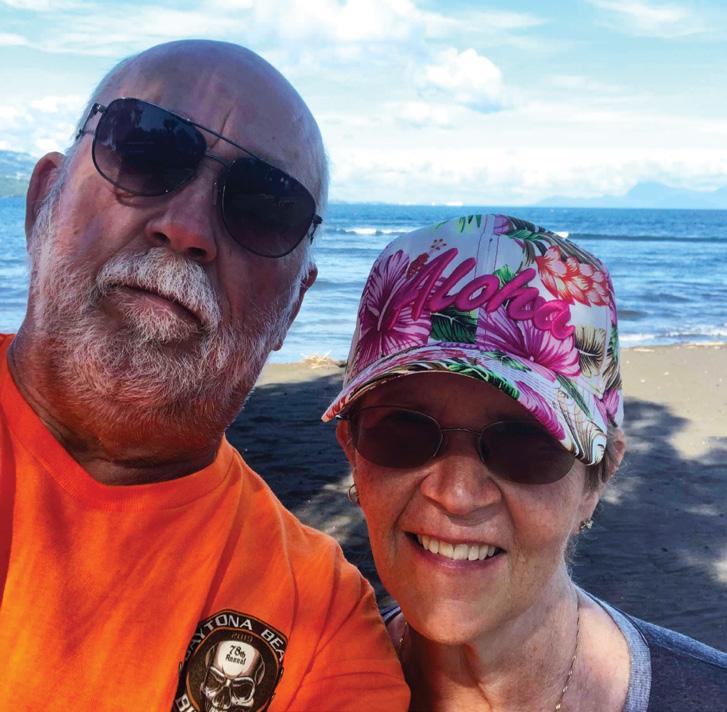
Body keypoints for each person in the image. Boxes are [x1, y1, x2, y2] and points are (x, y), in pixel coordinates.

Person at [0, 40, 409, 711]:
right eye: (145, 152)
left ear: (292, 308)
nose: (187, 228)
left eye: (264, 206)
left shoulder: (320, 621)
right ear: (43, 200)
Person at [324, 214, 727, 711]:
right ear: (353, 452)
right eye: (403, 432)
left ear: (595, 481)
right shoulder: (300, 680)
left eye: (524, 445)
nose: (456, 495)